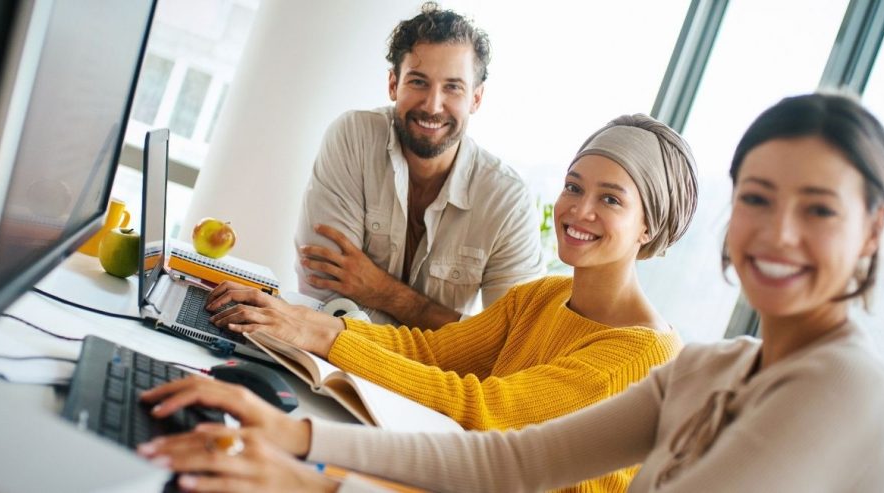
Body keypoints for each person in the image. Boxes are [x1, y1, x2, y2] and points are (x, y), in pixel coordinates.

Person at [137, 93, 884, 492]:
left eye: (818, 209)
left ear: (872, 229)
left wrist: (319, 483)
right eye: (758, 198)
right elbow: (511, 463)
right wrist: (298, 442)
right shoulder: (713, 367)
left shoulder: (844, 384)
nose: (776, 234)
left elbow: (485, 417)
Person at [145, 113, 699, 492]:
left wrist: (322, 335)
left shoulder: (637, 356)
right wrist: (300, 321)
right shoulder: (546, 296)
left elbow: (487, 414)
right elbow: (429, 353)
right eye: (575, 187)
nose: (579, 210)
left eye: (611, 199)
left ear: (650, 225)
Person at [294, 2, 544, 330]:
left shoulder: (507, 200)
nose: (432, 105)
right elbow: (326, 293)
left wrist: (383, 292)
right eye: (418, 82)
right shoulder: (354, 136)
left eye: (453, 87)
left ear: (476, 99)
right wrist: (445, 325)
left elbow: (509, 341)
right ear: (393, 84)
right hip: (325, 355)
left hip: (425, 380)